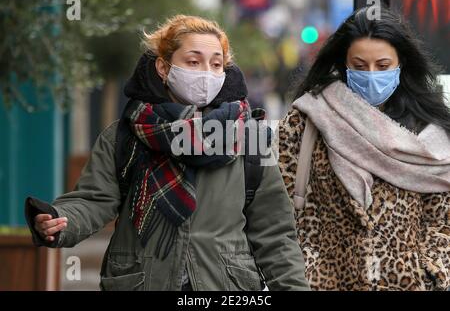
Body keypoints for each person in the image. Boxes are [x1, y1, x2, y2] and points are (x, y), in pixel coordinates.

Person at [25, 15, 310, 291]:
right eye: (193, 61)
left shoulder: (250, 139)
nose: (206, 74)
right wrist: (61, 220)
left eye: (216, 64)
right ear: (164, 68)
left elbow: (276, 235)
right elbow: (94, 199)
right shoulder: (124, 135)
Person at [277, 7, 450, 291]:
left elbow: (443, 221)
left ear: (401, 63)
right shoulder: (309, 120)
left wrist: (430, 275)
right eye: (359, 65)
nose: (371, 75)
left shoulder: (430, 132)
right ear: (344, 65)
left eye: (382, 66)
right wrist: (304, 275)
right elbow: (277, 212)